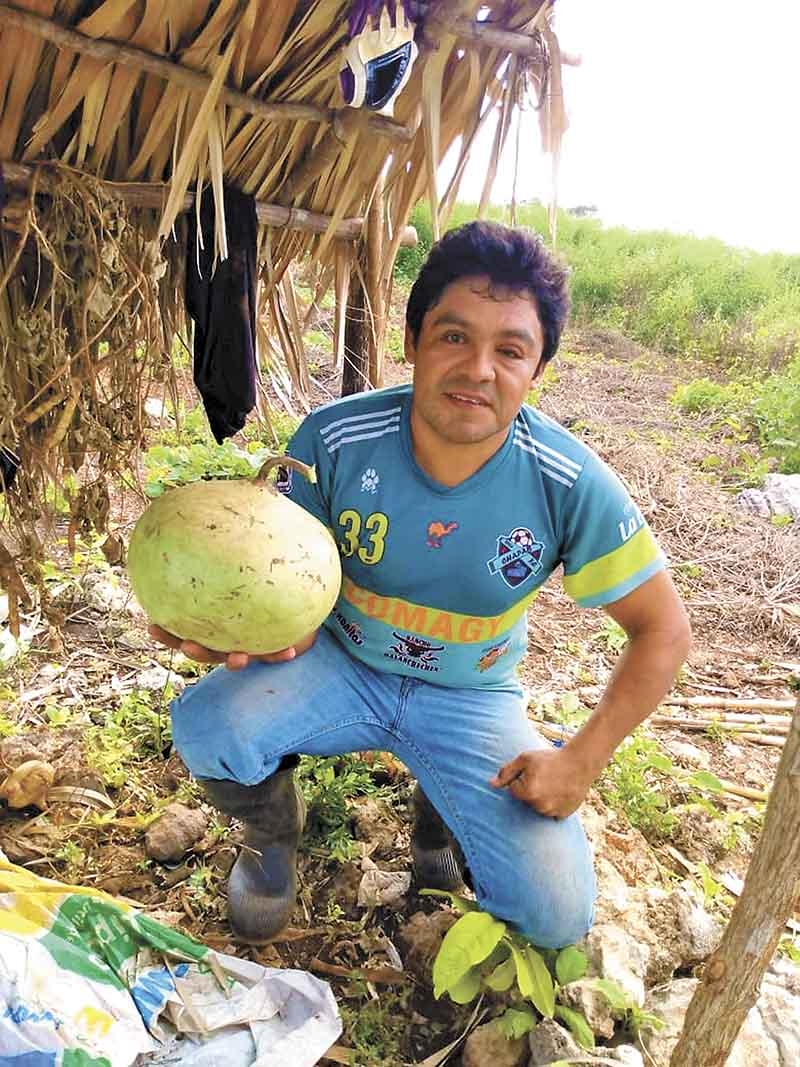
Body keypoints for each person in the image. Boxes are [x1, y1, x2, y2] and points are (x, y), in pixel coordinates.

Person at [151, 221, 691, 948]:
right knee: (208, 725)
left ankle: (436, 816)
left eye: (511, 349)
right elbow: (281, 582)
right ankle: (271, 835)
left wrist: (581, 759)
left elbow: (664, 629)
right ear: (411, 339)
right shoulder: (335, 440)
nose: (478, 369)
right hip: (342, 665)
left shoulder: (568, 481)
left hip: (470, 695)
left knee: (557, 915)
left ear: (537, 370)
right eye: (453, 337)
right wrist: (237, 628)